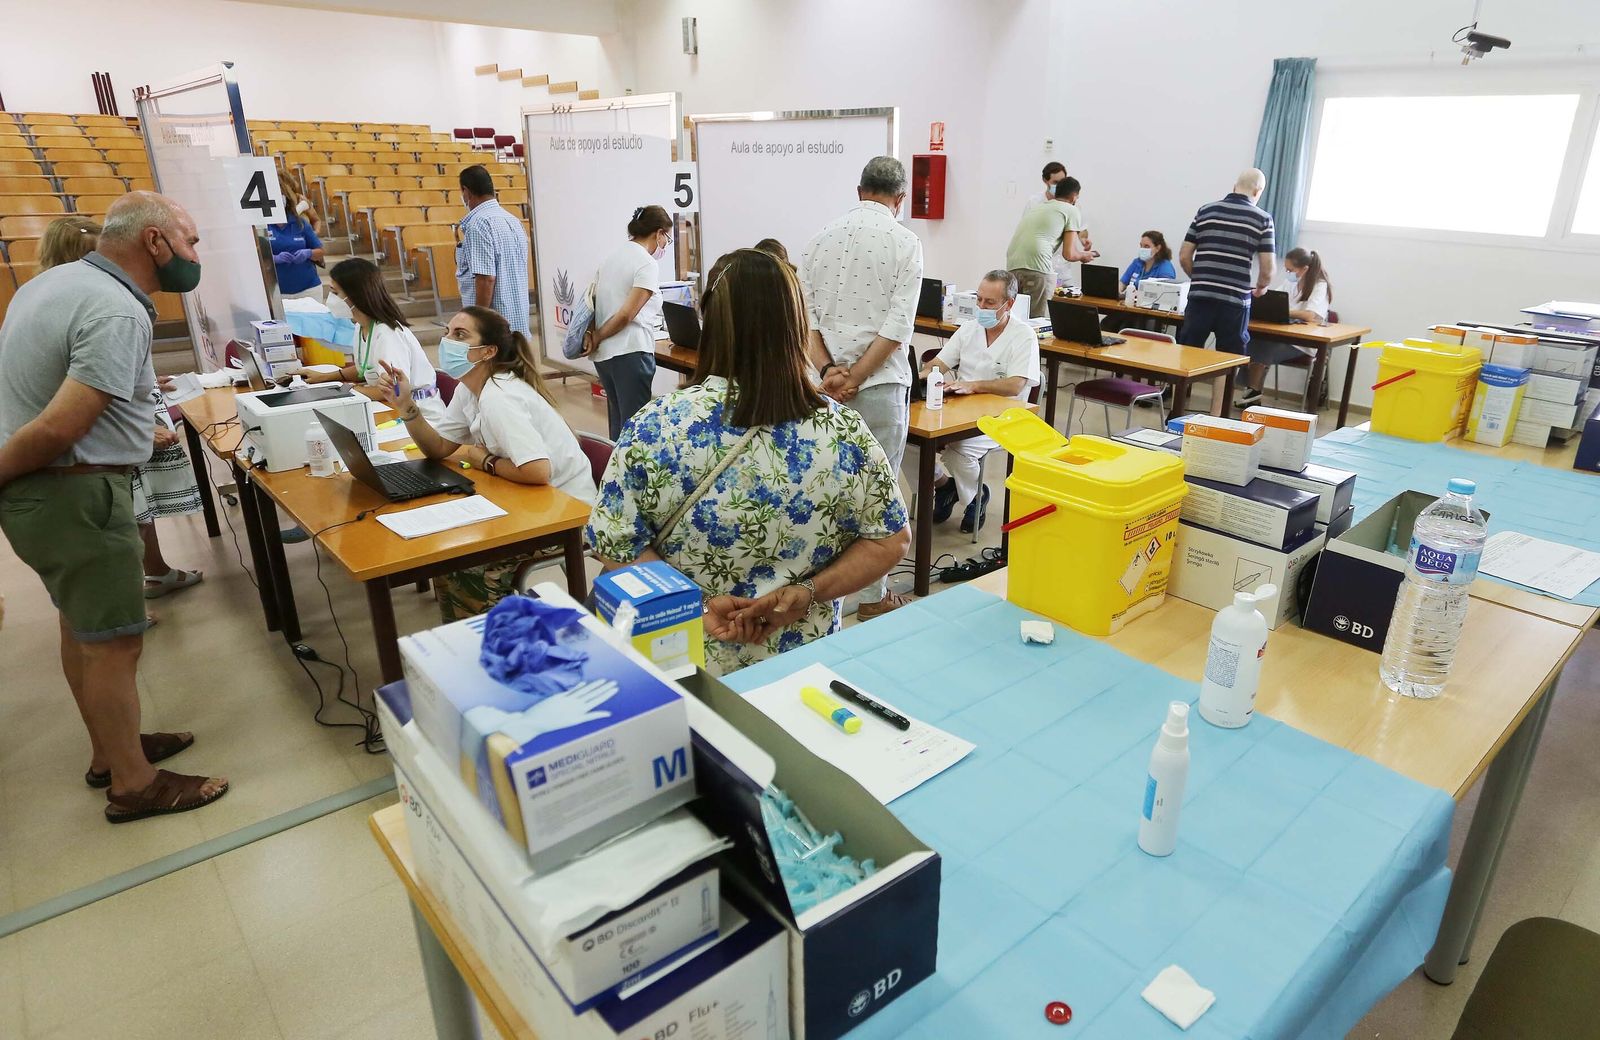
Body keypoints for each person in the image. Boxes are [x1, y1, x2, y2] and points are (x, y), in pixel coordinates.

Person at [0, 192, 227, 821]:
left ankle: (112, 750)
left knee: (83, 626)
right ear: (154, 242)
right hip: (75, 490)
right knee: (114, 644)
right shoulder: (116, 309)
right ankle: (133, 784)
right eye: (190, 241)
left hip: (49, 494)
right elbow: (58, 427)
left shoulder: (53, 283)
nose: (194, 254)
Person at [588, 248, 909, 674]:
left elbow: (615, 542)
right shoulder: (844, 433)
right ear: (799, 325)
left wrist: (699, 607)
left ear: (712, 325)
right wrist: (809, 592)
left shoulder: (657, 426)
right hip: (804, 669)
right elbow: (891, 540)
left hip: (681, 662)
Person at [375, 305, 594, 621]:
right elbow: (438, 448)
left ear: (488, 351)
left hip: (566, 514)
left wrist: (486, 461)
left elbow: (537, 471)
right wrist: (406, 405)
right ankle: (466, 638)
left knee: (470, 564)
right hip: (535, 501)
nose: (448, 340)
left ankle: (493, 642)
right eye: (448, 332)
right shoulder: (470, 388)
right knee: (448, 554)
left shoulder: (499, 396)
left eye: (460, 335)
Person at [39, 217, 206, 611]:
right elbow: (79, 397)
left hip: (107, 441)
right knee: (120, 519)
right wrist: (144, 429)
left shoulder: (71, 299)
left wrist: (144, 384)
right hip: (93, 452)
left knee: (135, 511)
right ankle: (122, 604)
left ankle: (154, 572)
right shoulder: (97, 305)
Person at [799, 156, 921, 619]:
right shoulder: (906, 243)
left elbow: (806, 320)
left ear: (859, 191)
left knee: (821, 485)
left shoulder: (817, 241)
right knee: (879, 492)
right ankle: (872, 597)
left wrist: (832, 371)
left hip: (821, 387)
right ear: (900, 199)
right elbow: (897, 329)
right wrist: (858, 376)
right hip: (880, 387)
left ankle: (817, 590)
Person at [918, 270, 1040, 533]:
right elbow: (939, 363)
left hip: (1005, 416)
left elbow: (1016, 385)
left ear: (1009, 303)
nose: (981, 307)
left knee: (957, 449)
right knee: (910, 440)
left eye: (990, 303)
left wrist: (973, 386)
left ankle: (976, 496)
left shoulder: (1023, 336)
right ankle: (944, 486)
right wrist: (919, 376)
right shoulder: (969, 328)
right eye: (979, 300)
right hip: (960, 410)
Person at [304, 258, 444, 421]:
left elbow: (392, 390)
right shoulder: (361, 327)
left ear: (354, 295)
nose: (331, 298)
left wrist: (347, 389)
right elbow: (365, 368)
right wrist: (323, 377)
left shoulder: (387, 334)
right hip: (394, 407)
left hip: (420, 415)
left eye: (335, 293)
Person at [1177, 170, 1276, 401]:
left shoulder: (1205, 211)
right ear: (1257, 191)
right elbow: (1268, 268)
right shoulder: (1262, 219)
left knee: (1187, 350)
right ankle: (1217, 415)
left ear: (1234, 187)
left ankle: (1177, 406)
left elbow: (1184, 255)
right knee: (1228, 358)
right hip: (1234, 300)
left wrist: (1200, 278)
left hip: (1200, 296)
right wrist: (1261, 287)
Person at [591, 205, 671, 439]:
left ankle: (615, 473)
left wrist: (597, 337)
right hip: (630, 351)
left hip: (605, 355)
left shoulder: (611, 258)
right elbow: (627, 314)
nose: (665, 246)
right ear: (658, 233)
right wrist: (599, 335)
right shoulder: (646, 263)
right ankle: (632, 475)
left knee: (618, 426)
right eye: (666, 239)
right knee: (635, 429)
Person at [1232, 247, 1334, 408]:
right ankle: (1253, 391)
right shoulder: (1291, 282)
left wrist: (1286, 311)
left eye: (1290, 270)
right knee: (1252, 341)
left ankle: (1253, 391)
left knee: (1262, 347)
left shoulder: (1320, 286)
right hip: (1282, 337)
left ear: (1305, 269)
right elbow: (1274, 299)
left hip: (1304, 344)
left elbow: (1310, 315)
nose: (1288, 273)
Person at [1005, 176, 1098, 319]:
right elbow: (1069, 254)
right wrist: (1084, 255)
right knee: (1035, 321)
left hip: (1013, 263)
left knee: (1015, 318)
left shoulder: (1040, 206)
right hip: (1037, 266)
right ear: (1074, 196)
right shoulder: (1071, 210)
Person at [456, 164, 530, 333]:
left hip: (494, 326)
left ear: (466, 192)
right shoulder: (513, 220)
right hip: (518, 320)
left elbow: (486, 279)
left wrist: (477, 323)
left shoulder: (478, 224)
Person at [267, 206, 325, 301]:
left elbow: (320, 251)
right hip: (277, 291)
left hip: (308, 288)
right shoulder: (263, 225)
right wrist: (274, 258)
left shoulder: (301, 223)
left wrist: (308, 253)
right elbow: (253, 257)